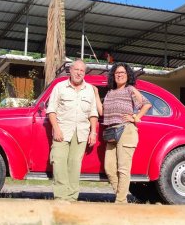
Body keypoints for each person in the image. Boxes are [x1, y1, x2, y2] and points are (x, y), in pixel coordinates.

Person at [46, 59, 98, 201]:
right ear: (70, 70)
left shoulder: (89, 89)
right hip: (62, 130)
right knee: (59, 162)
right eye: (76, 69)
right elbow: (51, 110)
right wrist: (56, 129)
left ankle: (72, 198)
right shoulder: (60, 87)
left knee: (75, 165)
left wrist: (93, 132)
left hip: (81, 132)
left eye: (82, 70)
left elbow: (93, 113)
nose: (79, 73)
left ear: (84, 73)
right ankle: (61, 197)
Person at [102, 63, 151, 203]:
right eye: (117, 73)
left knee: (123, 169)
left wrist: (135, 117)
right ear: (113, 75)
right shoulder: (110, 92)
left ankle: (120, 202)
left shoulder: (130, 89)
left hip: (126, 130)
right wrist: (94, 92)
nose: (119, 75)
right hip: (112, 132)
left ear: (127, 75)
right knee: (109, 168)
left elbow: (146, 103)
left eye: (122, 72)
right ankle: (122, 200)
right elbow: (102, 112)